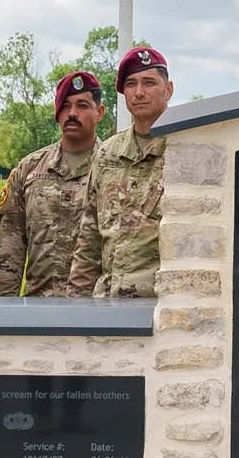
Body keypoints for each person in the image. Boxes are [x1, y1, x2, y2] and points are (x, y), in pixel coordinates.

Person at [70, 46, 171, 298]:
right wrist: (75, 307)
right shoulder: (108, 154)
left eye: (149, 83)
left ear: (168, 89)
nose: (139, 93)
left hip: (161, 304)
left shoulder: (184, 150)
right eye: (131, 84)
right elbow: (89, 238)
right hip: (108, 303)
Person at [0, 70, 104, 296]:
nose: (72, 113)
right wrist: (5, 311)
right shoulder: (29, 169)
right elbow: (10, 248)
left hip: (96, 310)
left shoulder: (112, 168)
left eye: (82, 105)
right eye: (65, 106)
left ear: (99, 112)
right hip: (38, 308)